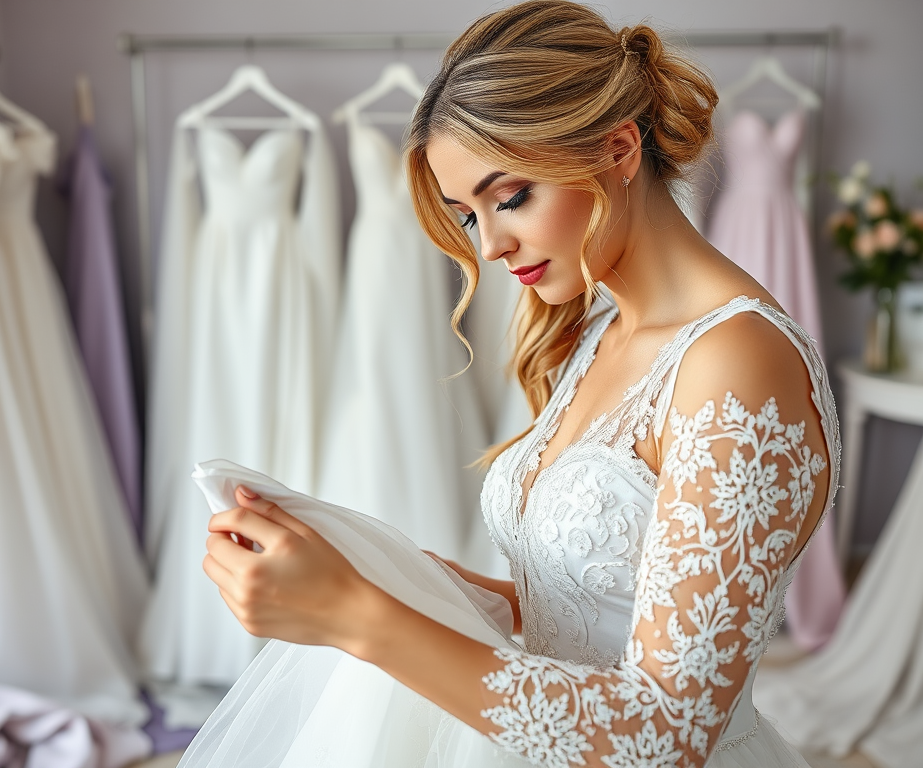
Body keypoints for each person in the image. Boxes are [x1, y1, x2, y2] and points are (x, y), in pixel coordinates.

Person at [193, 2, 840, 766]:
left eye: (511, 197)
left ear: (620, 148)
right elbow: (580, 611)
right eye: (469, 216)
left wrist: (353, 614)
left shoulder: (736, 365)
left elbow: (669, 735)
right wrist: (386, 570)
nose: (492, 246)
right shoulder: (602, 329)